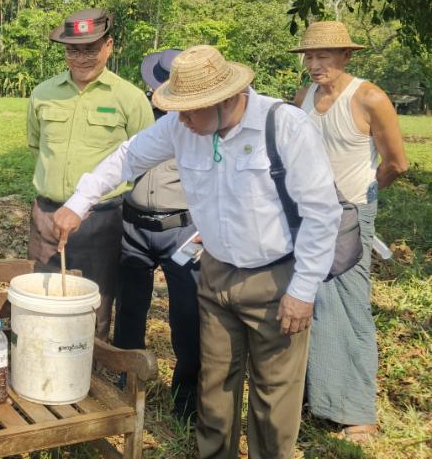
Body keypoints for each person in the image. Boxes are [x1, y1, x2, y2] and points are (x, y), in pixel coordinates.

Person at [53, 45, 342, 459]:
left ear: (225, 99)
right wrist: (78, 203)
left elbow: (321, 213)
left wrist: (303, 289)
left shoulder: (284, 127)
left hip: (277, 278)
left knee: (274, 394)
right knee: (214, 386)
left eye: (189, 112)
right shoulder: (181, 126)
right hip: (216, 272)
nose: (180, 120)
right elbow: (128, 157)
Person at [290, 21, 408, 442]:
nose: (314, 64)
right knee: (306, 298)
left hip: (350, 212)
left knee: (348, 305)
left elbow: (397, 163)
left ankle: (358, 412)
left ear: (346, 55)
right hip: (306, 211)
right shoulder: (302, 97)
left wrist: (362, 196)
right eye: (309, 56)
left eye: (323, 55)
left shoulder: (369, 97)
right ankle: (316, 397)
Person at [26, 9, 152, 339]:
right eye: (73, 50)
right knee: (41, 299)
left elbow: (144, 157)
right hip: (46, 216)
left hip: (99, 221)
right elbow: (37, 145)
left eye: (90, 49)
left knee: (92, 308)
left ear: (109, 46)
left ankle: (91, 367)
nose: (81, 58)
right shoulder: (43, 94)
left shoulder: (129, 99)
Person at [113, 49, 200, 423]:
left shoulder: (198, 123)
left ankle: (187, 398)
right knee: (129, 310)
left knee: (188, 313)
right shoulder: (139, 115)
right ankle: (126, 381)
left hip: (183, 229)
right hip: (134, 225)